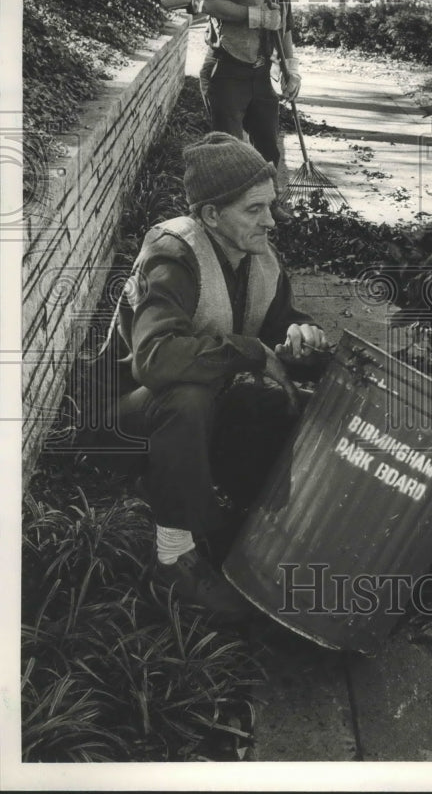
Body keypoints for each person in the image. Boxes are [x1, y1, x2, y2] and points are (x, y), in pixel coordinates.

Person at [113, 132, 328, 621]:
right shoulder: (173, 255)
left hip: (197, 423)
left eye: (270, 206)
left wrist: (301, 336)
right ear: (211, 215)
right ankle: (172, 552)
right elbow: (156, 360)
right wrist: (250, 352)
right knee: (186, 395)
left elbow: (277, 323)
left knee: (274, 402)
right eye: (254, 209)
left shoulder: (259, 255)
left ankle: (233, 523)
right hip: (129, 423)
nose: (270, 221)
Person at [198, 0, 306, 219]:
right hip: (226, 68)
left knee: (269, 147)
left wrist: (292, 70)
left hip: (259, 73)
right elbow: (207, 3)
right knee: (231, 151)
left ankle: (268, 207)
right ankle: (230, 219)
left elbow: (284, 27)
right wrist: (255, 16)